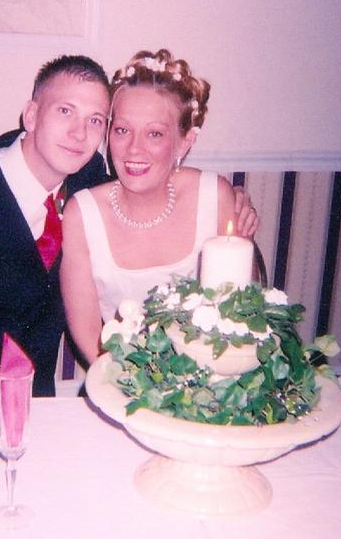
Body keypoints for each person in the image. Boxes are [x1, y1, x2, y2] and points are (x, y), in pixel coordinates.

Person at [0, 53, 257, 401]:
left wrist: (233, 201)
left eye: (96, 120)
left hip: (39, 419)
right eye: (65, 111)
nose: (79, 133)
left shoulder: (89, 189)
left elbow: (156, 178)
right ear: (32, 114)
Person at [60, 49, 258, 364]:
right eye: (122, 130)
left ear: (185, 141)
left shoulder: (215, 196)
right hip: (118, 377)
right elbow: (89, 337)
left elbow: (246, 315)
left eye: (154, 133)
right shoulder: (81, 214)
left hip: (209, 375)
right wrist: (136, 385)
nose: (133, 149)